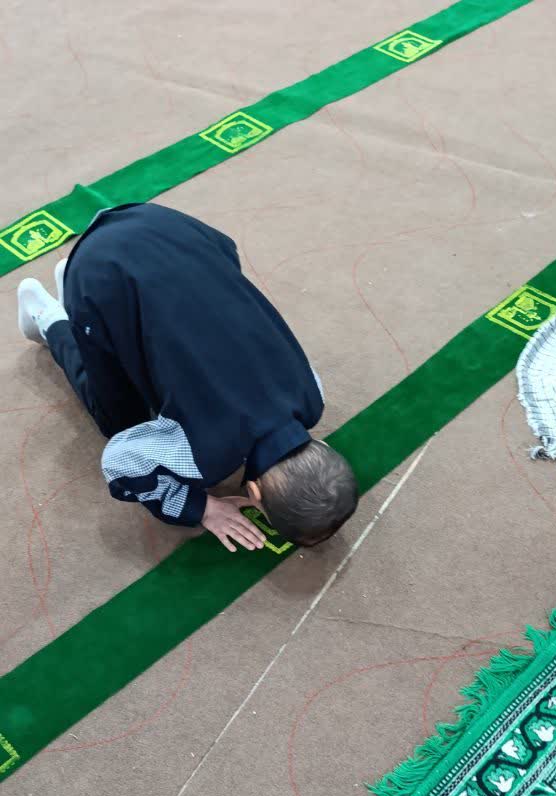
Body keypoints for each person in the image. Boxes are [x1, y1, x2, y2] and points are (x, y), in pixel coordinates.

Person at [17, 203, 358, 553]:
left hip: (170, 228)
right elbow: (119, 461)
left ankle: (81, 280)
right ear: (253, 493)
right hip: (99, 273)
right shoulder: (202, 452)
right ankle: (47, 314)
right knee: (118, 421)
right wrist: (203, 507)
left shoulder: (312, 395)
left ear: (324, 448)